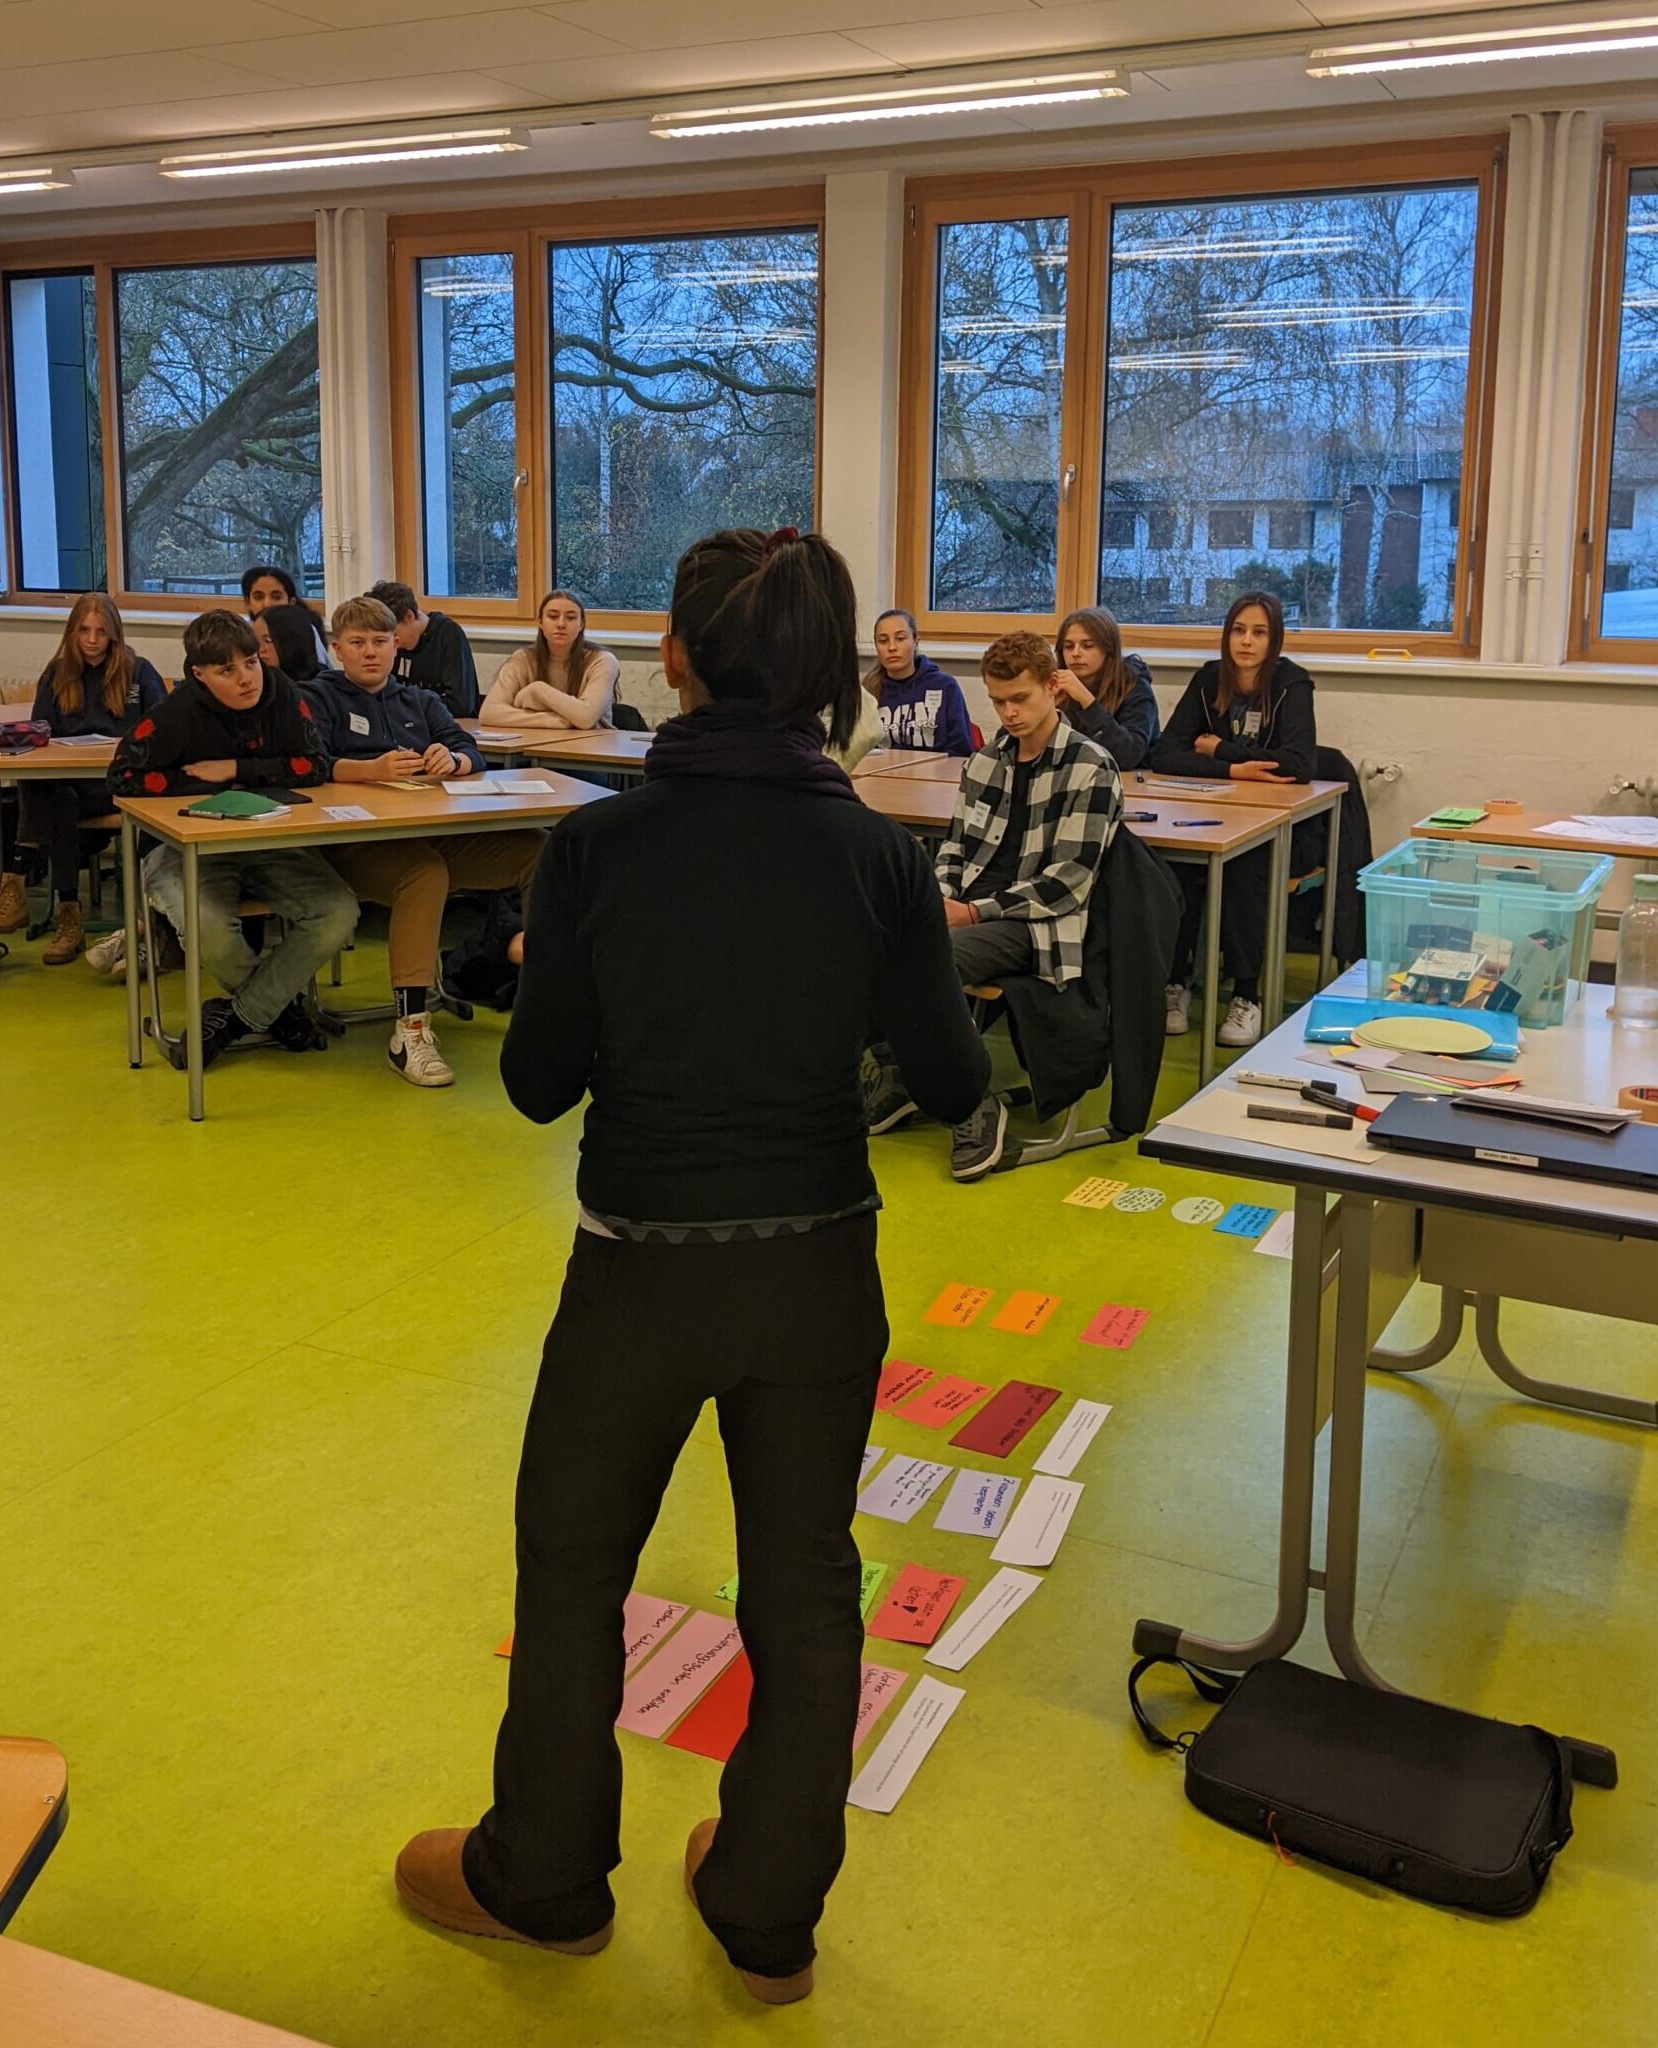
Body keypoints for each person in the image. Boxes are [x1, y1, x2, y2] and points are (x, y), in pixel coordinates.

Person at [392, 528, 989, 2005]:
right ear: (836, 672)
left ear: (671, 657)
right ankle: (769, 1909)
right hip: (817, 1269)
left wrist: (563, 969)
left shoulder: (597, 847)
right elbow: (953, 1077)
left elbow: (538, 1086)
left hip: (639, 1272)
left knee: (572, 1563)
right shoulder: (877, 854)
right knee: (806, 1579)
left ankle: (543, 1878)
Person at [862, 630, 1122, 1181]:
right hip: (969, 910)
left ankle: (971, 1102)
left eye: (1019, 699)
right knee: (871, 937)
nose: (1009, 713)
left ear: (1053, 688)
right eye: (998, 701)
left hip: (1037, 923)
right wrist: (939, 898)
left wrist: (973, 913)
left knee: (931, 960)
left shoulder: (1090, 766)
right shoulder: (984, 762)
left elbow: (1068, 883)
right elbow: (953, 850)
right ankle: (902, 1074)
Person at [304, 597, 543, 1088]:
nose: (370, 652)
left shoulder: (419, 701)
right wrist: (367, 770)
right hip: (357, 844)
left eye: (380, 642)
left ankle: (547, 997)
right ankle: (410, 1031)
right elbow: (307, 764)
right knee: (424, 875)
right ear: (337, 649)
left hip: (432, 832)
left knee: (540, 849)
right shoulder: (318, 697)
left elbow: (469, 748)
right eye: (357, 643)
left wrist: (454, 761)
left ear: (397, 646)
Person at [110, 610, 357, 1064]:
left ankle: (239, 1017)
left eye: (251, 663)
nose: (246, 678)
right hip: (183, 847)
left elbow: (314, 764)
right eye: (227, 670)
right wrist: (200, 786)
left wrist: (236, 770)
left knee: (338, 911)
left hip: (267, 840)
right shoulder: (176, 712)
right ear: (199, 675)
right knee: (209, 929)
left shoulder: (281, 691)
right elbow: (123, 776)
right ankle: (279, 1013)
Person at [1149, 588, 1316, 1049]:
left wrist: (1220, 748)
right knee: (1175, 863)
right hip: (1208, 814)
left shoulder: (1292, 684)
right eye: (1239, 631)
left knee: (1246, 868)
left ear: (1274, 639)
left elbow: (1299, 764)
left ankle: (1246, 994)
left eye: (1259, 633)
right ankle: (1175, 983)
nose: (1246, 641)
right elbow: (1166, 753)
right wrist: (1233, 770)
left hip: (1276, 827)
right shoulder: (1208, 679)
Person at [0, 596, 166, 964]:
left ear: (114, 633)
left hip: (116, 786)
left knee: (53, 796)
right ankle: (67, 918)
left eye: (101, 632)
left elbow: (160, 728)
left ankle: (18, 881)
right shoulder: (58, 673)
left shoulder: (138, 671)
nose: (92, 640)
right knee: (57, 795)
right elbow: (40, 732)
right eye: (84, 630)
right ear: (72, 632)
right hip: (69, 787)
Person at [480, 590, 617, 729]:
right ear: (540, 622)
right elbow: (488, 713)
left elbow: (585, 718)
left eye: (570, 618)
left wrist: (538, 690)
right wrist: (557, 721)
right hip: (537, 739)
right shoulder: (523, 659)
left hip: (594, 741)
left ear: (581, 625)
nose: (561, 624)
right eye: (553, 616)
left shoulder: (602, 660)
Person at [1050, 606, 1158, 771]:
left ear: (1108, 649)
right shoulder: (1057, 684)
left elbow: (1128, 756)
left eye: (1087, 646)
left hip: (1125, 779)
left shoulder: (1133, 685)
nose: (1076, 653)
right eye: (1069, 646)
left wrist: (1087, 701)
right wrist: (1047, 708)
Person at [366, 579, 480, 719]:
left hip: (449, 722)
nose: (393, 643)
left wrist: (404, 707)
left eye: (394, 634)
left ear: (409, 616)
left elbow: (460, 704)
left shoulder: (448, 634)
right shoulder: (395, 644)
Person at [866, 608, 974, 756]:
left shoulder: (945, 686)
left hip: (937, 770)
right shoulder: (867, 691)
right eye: (883, 641)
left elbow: (961, 750)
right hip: (882, 769)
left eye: (900, 639)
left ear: (916, 642)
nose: (892, 647)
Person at [242, 565, 329, 666]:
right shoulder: (242, 633)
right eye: (258, 597)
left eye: (276, 597)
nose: (267, 604)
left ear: (291, 603)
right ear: (248, 603)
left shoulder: (304, 630)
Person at [253, 602, 326, 684]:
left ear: (292, 641)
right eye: (255, 641)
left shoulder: (317, 686)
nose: (260, 649)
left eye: (268, 640)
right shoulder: (263, 682)